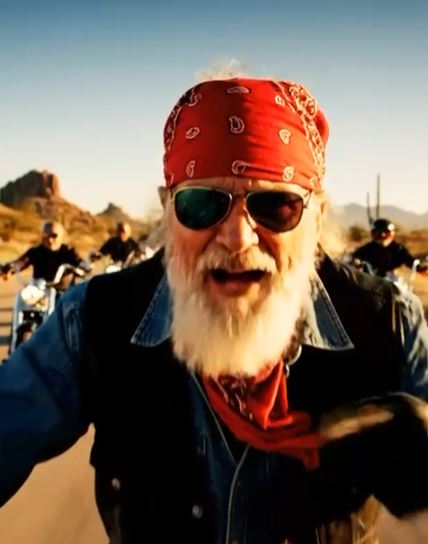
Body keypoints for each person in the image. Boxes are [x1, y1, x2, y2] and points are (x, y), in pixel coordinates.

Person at [1, 77, 428, 544]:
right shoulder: (93, 320)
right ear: (168, 212)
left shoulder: (388, 323)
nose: (237, 238)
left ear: (316, 217)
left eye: (276, 206)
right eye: (202, 204)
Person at [1, 221, 91, 288]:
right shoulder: (36, 251)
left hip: (64, 293)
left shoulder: (68, 251)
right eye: (46, 235)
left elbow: (79, 261)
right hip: (40, 292)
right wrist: (9, 268)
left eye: (54, 236)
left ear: (61, 236)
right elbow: (22, 262)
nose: (50, 240)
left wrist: (84, 266)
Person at [352, 218, 427, 278]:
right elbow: (353, 260)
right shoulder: (366, 249)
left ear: (392, 234)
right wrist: (356, 263)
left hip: (392, 281)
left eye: (386, 232)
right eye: (378, 233)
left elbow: (411, 262)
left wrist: (422, 268)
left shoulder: (399, 249)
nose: (382, 235)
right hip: (370, 281)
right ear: (373, 234)